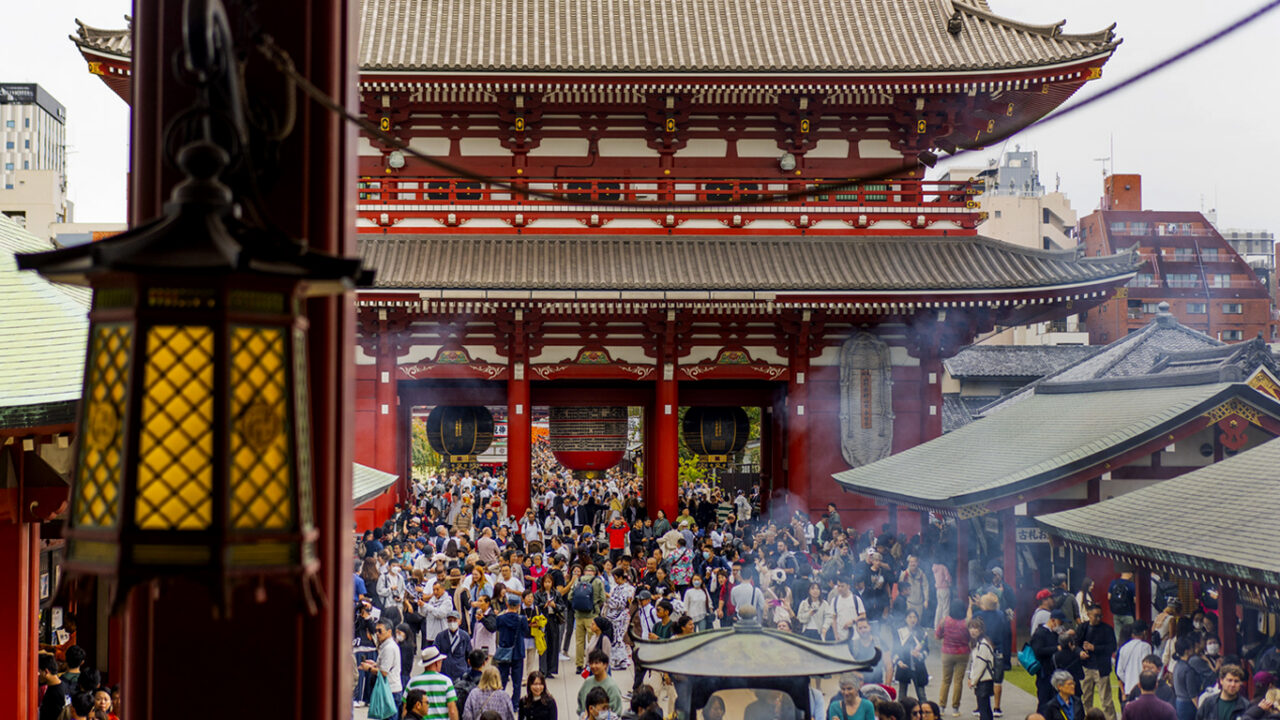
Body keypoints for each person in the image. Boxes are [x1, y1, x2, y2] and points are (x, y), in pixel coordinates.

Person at [974, 593, 1010, 718]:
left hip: (983, 649)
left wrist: (971, 606)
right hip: (998, 649)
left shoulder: (978, 615)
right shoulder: (1000, 615)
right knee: (998, 680)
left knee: (980, 677)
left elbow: (970, 624)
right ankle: (997, 707)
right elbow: (1006, 630)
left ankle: (980, 706)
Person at [1079, 605, 1117, 720]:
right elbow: (1076, 643)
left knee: (1106, 700)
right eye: (1096, 616)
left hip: (1101, 668)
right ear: (1089, 615)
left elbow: (1112, 647)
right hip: (1086, 667)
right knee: (1086, 698)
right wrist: (1080, 652)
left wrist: (1094, 648)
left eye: (1100, 616)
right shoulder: (1082, 628)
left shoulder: (1107, 629)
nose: (1099, 618)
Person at [937, 599, 971, 718]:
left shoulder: (945, 621)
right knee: (958, 681)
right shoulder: (966, 623)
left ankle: (941, 707)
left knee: (946, 680)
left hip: (947, 653)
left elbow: (937, 635)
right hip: (963, 654)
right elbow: (970, 637)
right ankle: (955, 708)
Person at [408, 646, 462, 720]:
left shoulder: (413, 682)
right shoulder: (446, 681)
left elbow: (406, 709)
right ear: (436, 663)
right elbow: (452, 710)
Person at [361, 619, 404, 713]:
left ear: (389, 632)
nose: (377, 633)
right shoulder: (387, 646)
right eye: (376, 631)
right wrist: (375, 664)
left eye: (380, 631)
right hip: (389, 689)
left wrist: (369, 668)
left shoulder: (389, 647)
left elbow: (384, 672)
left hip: (390, 690)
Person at [496, 596, 531, 705]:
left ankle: (500, 702)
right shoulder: (522, 619)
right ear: (519, 606)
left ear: (507, 605)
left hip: (504, 651)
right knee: (517, 682)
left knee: (502, 679)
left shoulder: (500, 618)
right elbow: (526, 631)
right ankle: (515, 704)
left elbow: (497, 628)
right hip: (518, 652)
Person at [1032, 611, 1067, 707]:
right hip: (1044, 671)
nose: (1061, 625)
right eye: (1061, 622)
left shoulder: (1053, 634)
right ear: (1053, 620)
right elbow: (1038, 651)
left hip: (1053, 671)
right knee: (1044, 701)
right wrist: (1056, 649)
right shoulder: (1040, 633)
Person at [896, 608, 930, 702]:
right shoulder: (900, 632)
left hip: (918, 667)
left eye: (914, 617)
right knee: (902, 696)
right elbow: (895, 650)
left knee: (922, 696)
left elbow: (926, 651)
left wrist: (920, 655)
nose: (912, 619)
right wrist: (898, 661)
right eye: (910, 617)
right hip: (904, 666)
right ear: (905, 619)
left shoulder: (922, 633)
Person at [533, 574, 564, 678]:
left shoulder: (556, 594)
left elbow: (562, 606)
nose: (547, 584)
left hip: (553, 619)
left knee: (553, 644)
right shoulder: (538, 594)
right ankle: (543, 669)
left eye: (549, 582)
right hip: (543, 620)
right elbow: (535, 606)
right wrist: (544, 606)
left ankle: (551, 669)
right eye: (545, 582)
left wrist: (555, 606)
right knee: (543, 645)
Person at [1117, 622, 1155, 705]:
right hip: (1142, 688)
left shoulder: (1123, 648)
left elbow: (1119, 671)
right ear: (1144, 632)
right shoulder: (1146, 646)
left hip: (1128, 689)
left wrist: (1127, 680)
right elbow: (1148, 666)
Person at [967, 617, 997, 720]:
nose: (973, 631)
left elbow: (980, 665)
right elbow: (974, 663)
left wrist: (973, 680)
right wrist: (970, 677)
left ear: (981, 630)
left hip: (984, 680)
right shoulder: (978, 643)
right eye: (971, 628)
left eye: (976, 628)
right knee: (985, 708)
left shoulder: (983, 644)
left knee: (984, 710)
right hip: (982, 680)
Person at [577, 650, 624, 716]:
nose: (593, 666)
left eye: (597, 663)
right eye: (591, 663)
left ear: (605, 665)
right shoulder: (587, 682)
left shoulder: (612, 686)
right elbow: (580, 703)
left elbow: (617, 711)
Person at [437, 609, 474, 681]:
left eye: (454, 620)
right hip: (444, 672)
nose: (452, 622)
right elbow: (436, 652)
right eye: (450, 620)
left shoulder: (464, 636)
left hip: (460, 672)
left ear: (459, 622)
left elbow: (469, 654)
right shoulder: (441, 636)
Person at [1108, 572, 1137, 642]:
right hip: (1128, 614)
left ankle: (1119, 650)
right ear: (1130, 574)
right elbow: (1135, 600)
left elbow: (1109, 597)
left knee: (1118, 635)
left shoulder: (1113, 583)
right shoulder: (1132, 585)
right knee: (1130, 635)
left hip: (1116, 613)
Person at [38, 654, 67, 720]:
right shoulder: (61, 685)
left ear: (46, 672)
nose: (38, 675)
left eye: (39, 672)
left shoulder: (56, 694)